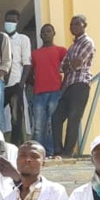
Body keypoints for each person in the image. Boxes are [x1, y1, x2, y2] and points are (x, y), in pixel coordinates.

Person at [52, 15, 95, 158]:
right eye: (71, 24)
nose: (74, 27)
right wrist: (70, 66)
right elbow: (61, 67)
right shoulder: (72, 47)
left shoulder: (87, 42)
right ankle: (58, 150)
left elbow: (77, 64)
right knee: (56, 117)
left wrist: (69, 66)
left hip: (80, 84)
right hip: (68, 86)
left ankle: (68, 152)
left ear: (85, 25)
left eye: (77, 24)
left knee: (73, 118)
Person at [31, 24, 67, 158]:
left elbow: (68, 68)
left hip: (55, 92)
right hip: (38, 93)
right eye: (43, 32)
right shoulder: (35, 54)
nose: (46, 34)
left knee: (52, 125)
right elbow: (30, 72)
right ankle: (38, 154)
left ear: (54, 33)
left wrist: (64, 86)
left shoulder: (61, 51)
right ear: (40, 35)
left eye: (48, 31)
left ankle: (50, 152)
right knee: (38, 126)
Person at [4, 10, 32, 145]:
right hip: (1, 84)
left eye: (13, 21)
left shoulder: (23, 39)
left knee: (16, 118)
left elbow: (27, 63)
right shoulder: (0, 38)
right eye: (8, 20)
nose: (10, 23)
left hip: (15, 82)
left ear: (17, 22)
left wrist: (21, 84)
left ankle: (17, 145)